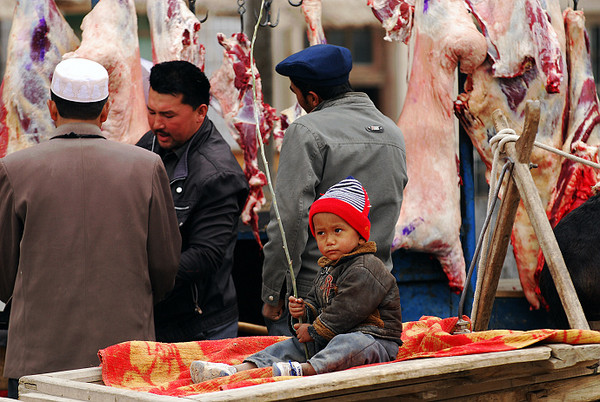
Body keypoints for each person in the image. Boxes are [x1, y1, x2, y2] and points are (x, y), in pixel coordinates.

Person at [0, 57, 181, 399]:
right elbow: (165, 266)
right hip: (125, 357)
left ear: (52, 109)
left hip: (39, 356)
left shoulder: (14, 169)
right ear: (105, 111)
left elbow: (3, 271)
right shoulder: (146, 167)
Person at [189, 177, 403, 381]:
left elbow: (346, 311)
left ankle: (304, 370)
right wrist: (305, 309)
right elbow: (318, 302)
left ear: (359, 233)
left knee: (349, 343)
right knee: (291, 346)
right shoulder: (328, 268)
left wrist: (313, 330)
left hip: (375, 339)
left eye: (338, 231)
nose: (329, 240)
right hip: (334, 334)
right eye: (321, 233)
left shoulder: (367, 267)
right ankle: (238, 369)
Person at [261, 44, 408, 335]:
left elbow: (290, 219)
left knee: (297, 375)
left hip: (318, 295)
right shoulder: (392, 131)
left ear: (312, 97)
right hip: (375, 294)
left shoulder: (306, 131)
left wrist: (271, 293)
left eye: (296, 92)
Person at [136, 60, 249, 342]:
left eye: (168, 115)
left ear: (200, 112)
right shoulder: (148, 145)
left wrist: (137, 276)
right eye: (151, 112)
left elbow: (206, 255)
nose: (156, 124)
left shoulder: (218, 173)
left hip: (199, 326)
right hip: (152, 315)